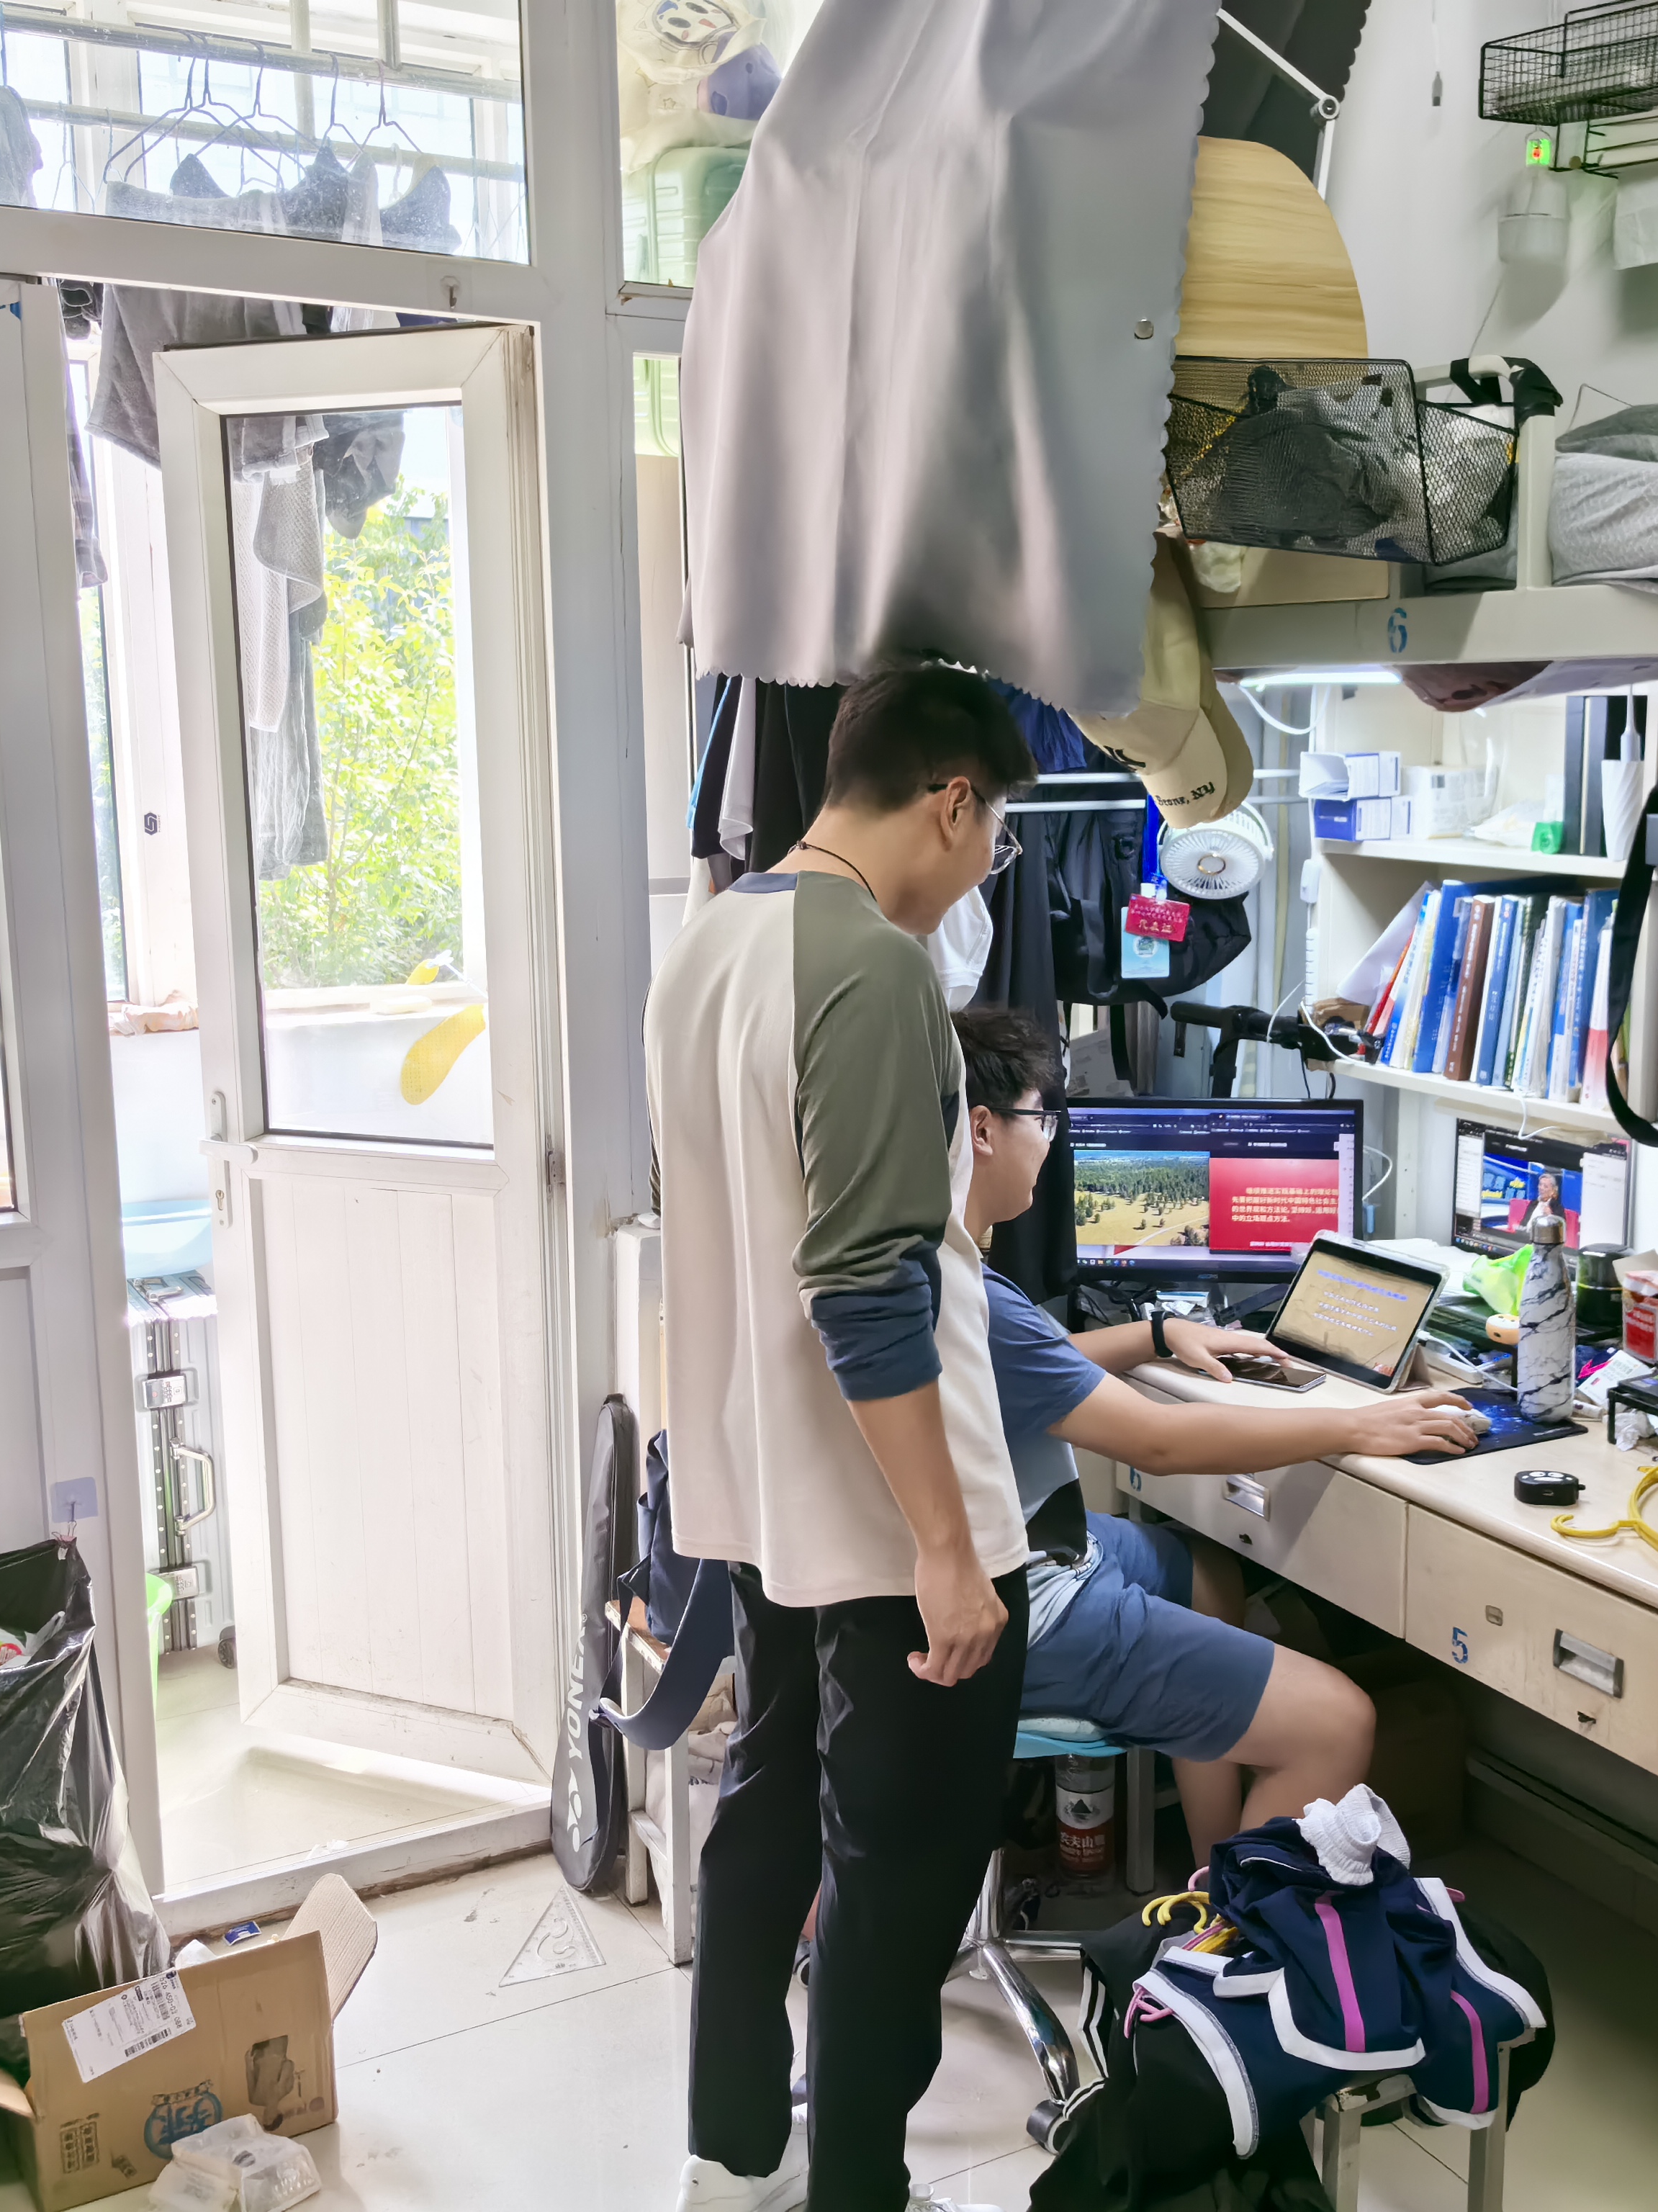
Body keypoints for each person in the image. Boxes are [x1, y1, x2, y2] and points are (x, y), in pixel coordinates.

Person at [645, 667, 1042, 2212]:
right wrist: (946, 1547)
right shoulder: (872, 966)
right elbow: (868, 1286)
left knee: (767, 1815)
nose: (987, 866)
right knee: (898, 1883)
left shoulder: (711, 942)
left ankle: (738, 2153)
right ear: (950, 801)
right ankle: (858, 2192)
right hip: (887, 1517)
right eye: (994, 835)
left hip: (765, 1490)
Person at [951, 1005, 1483, 1863]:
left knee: (1210, 1574)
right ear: (982, 1130)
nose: (1049, 1143)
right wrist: (1354, 1423)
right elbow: (1157, 1445)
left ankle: (1210, 1865)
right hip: (1033, 1608)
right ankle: (1227, 1931)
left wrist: (1159, 1334)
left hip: (1028, 1556)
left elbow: (1030, 1364)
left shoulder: (936, 1262)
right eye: (1041, 1120)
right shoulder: (976, 1294)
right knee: (1339, 1722)